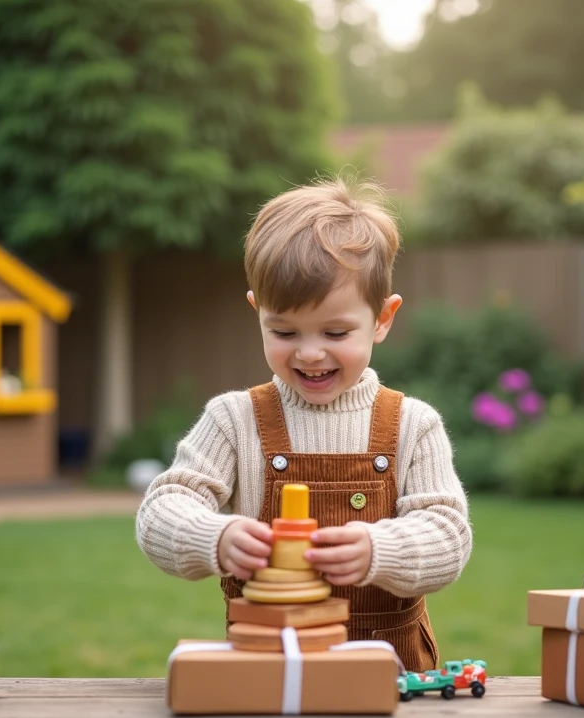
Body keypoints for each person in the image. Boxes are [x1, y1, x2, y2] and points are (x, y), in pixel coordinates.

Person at [134, 174, 472, 672]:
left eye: (336, 331)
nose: (310, 353)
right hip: (271, 669)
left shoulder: (411, 425)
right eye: (284, 331)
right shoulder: (234, 420)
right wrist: (215, 537)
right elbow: (163, 508)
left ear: (382, 318)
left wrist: (382, 549)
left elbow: (449, 535)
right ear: (258, 313)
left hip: (391, 679)